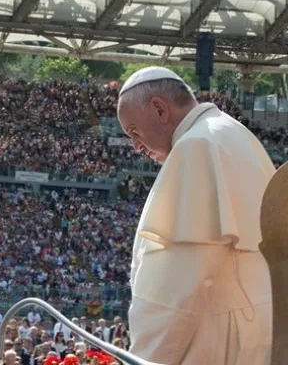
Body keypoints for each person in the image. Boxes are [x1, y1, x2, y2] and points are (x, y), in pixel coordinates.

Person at [116, 66, 273, 365]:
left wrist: (144, 358)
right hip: (255, 328)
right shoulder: (234, 132)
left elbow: (177, 287)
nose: (136, 146)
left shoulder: (195, 146)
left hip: (218, 336)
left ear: (160, 109)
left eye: (134, 131)